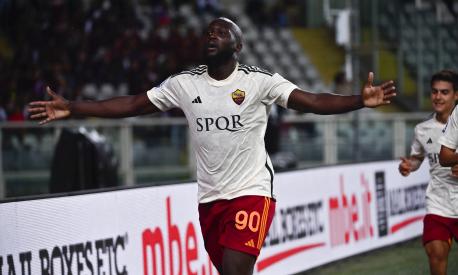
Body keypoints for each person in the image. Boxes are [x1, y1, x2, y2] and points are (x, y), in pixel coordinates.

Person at [29, 17, 396, 275]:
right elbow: (131, 105)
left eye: (221, 32)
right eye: (208, 32)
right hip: (209, 199)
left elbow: (312, 101)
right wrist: (73, 106)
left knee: (236, 268)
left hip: (252, 191)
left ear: (237, 45)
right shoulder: (185, 84)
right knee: (229, 270)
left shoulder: (258, 81)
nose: (211, 35)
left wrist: (359, 100)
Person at [399, 70, 458, 275]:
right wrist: (409, 166)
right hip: (438, 204)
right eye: (434, 92)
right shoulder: (422, 129)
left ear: (456, 95)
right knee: (435, 254)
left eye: (444, 92)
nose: (438, 97)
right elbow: (417, 158)